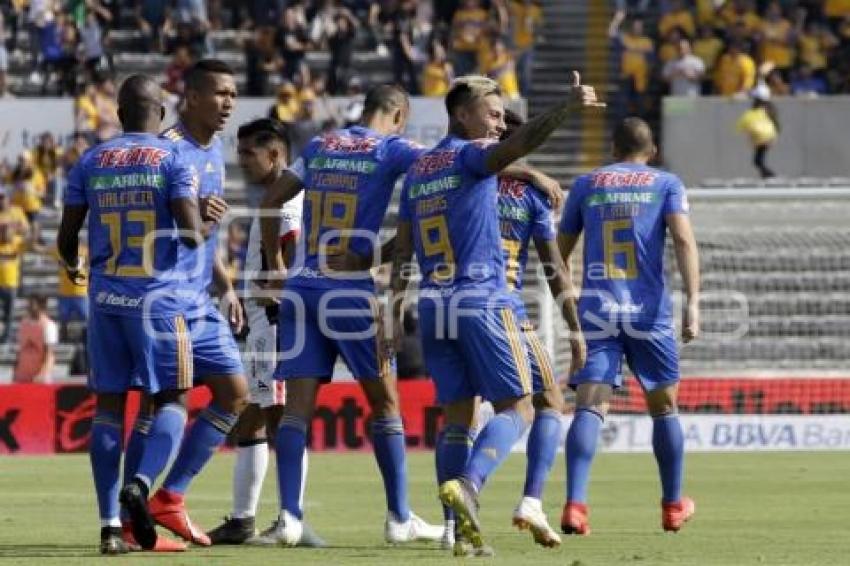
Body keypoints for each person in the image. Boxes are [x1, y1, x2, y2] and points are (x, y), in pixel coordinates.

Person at [389, 73, 602, 555]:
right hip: (483, 300)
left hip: (433, 306)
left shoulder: (419, 170)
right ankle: (473, 485)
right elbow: (520, 146)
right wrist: (566, 108)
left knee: (458, 421)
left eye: (503, 116)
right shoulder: (472, 159)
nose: (500, 123)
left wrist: (391, 313)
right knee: (521, 406)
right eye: (491, 113)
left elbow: (402, 249)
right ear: (461, 114)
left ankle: (457, 534)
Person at [254, 84, 443, 546]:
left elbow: (269, 200)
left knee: (296, 409)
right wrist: (374, 254)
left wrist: (275, 265)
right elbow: (442, 177)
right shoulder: (393, 148)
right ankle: (400, 519)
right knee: (385, 403)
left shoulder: (320, 145)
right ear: (398, 115)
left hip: (301, 289)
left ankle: (289, 518)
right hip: (348, 293)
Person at [56, 73, 206, 555]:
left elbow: (67, 235)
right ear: (161, 115)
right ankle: (139, 485)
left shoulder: (91, 160)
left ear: (119, 114)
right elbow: (189, 232)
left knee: (109, 408)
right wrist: (203, 219)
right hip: (158, 301)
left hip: (105, 302)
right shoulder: (174, 158)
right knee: (171, 400)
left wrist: (75, 263)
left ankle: (108, 528)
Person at [118, 59, 249, 551]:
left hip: (200, 297)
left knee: (235, 393)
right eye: (220, 93)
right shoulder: (164, 152)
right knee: (159, 403)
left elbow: (202, 235)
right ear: (191, 97)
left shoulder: (213, 151)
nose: (229, 103)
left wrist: (227, 285)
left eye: (233, 94)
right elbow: (176, 229)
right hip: (163, 296)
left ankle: (169, 496)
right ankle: (132, 520)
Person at [558, 117, 699, 536]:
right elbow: (684, 241)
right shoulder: (666, 183)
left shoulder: (586, 184)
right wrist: (693, 303)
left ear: (613, 148)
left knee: (589, 405)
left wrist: (568, 304)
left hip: (598, 309)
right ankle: (673, 505)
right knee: (664, 408)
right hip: (649, 312)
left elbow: (557, 253)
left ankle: (575, 505)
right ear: (651, 151)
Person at [206, 118, 325, 547]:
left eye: (248, 154)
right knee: (254, 417)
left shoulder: (287, 205)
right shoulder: (275, 201)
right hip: (264, 322)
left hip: (275, 324)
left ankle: (290, 518)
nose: (241, 161)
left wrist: (272, 305)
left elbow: (288, 269)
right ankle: (243, 520)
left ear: (275, 155)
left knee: (278, 417)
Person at [0, 188, 29, 343]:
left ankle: (7, 336)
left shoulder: (16, 211)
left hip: (12, 269)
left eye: (2, 197)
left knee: (9, 310)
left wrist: (12, 229)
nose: (1, 200)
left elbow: (25, 230)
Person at [12, 293, 58, 384]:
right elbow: (20, 350)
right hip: (22, 375)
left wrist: (43, 374)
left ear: (41, 306)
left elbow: (50, 354)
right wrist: (15, 371)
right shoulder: (24, 324)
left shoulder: (48, 326)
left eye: (32, 304)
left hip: (39, 378)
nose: (28, 307)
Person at [48, 241, 89, 341]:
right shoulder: (60, 251)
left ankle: (87, 336)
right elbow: (42, 249)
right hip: (65, 292)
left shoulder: (85, 250)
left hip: (81, 292)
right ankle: (64, 337)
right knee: (63, 318)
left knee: (87, 317)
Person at [736, 86, 779, 178]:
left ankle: (769, 175)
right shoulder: (769, 110)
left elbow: (742, 125)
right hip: (768, 137)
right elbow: (775, 124)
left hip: (762, 138)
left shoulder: (754, 113)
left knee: (757, 161)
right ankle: (766, 175)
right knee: (758, 160)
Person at [508, 0, 542, 95]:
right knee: (510, 74)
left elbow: (537, 29)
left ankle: (524, 97)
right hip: (512, 46)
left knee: (525, 74)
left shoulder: (536, 10)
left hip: (527, 47)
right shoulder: (513, 6)